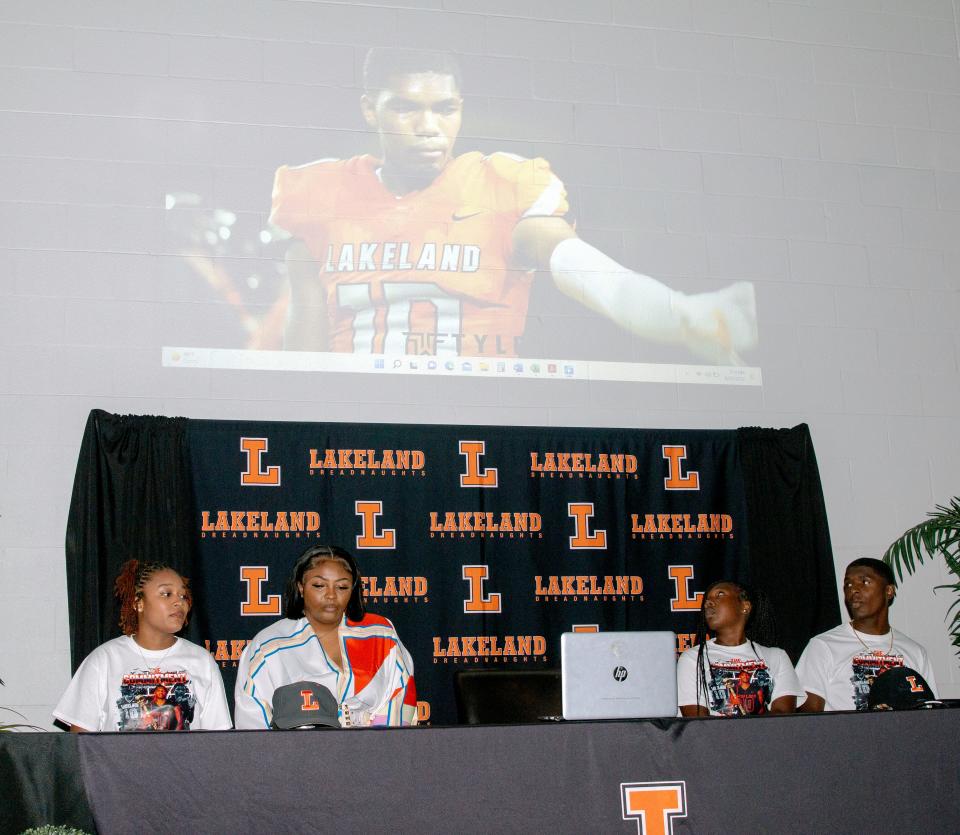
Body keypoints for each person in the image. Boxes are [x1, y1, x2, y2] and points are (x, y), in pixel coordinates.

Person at [272, 47, 757, 365]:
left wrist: (679, 314)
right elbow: (301, 353)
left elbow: (578, 265)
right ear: (368, 109)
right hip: (357, 416)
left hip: (477, 420)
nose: (429, 126)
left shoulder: (500, 184)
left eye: (445, 109)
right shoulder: (321, 193)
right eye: (405, 107)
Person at [234, 545, 418, 729]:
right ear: (300, 587)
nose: (331, 595)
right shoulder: (269, 646)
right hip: (299, 753)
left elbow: (401, 695)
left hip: (377, 749)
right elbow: (252, 723)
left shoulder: (381, 633)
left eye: (342, 586)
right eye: (319, 585)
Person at [53, 559, 231, 732]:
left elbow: (216, 742)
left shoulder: (202, 661)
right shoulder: (104, 659)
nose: (180, 602)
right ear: (139, 603)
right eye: (166, 594)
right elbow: (81, 743)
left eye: (183, 595)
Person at [797, 558, 938, 712]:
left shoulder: (915, 652)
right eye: (848, 584)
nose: (853, 590)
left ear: (889, 591)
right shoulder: (823, 646)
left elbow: (929, 714)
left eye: (864, 582)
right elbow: (808, 717)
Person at [676, 580, 802, 717]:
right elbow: (697, 723)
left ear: (745, 606)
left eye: (719, 594)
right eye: (707, 600)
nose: (708, 603)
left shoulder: (776, 656)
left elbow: (783, 718)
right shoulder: (692, 659)